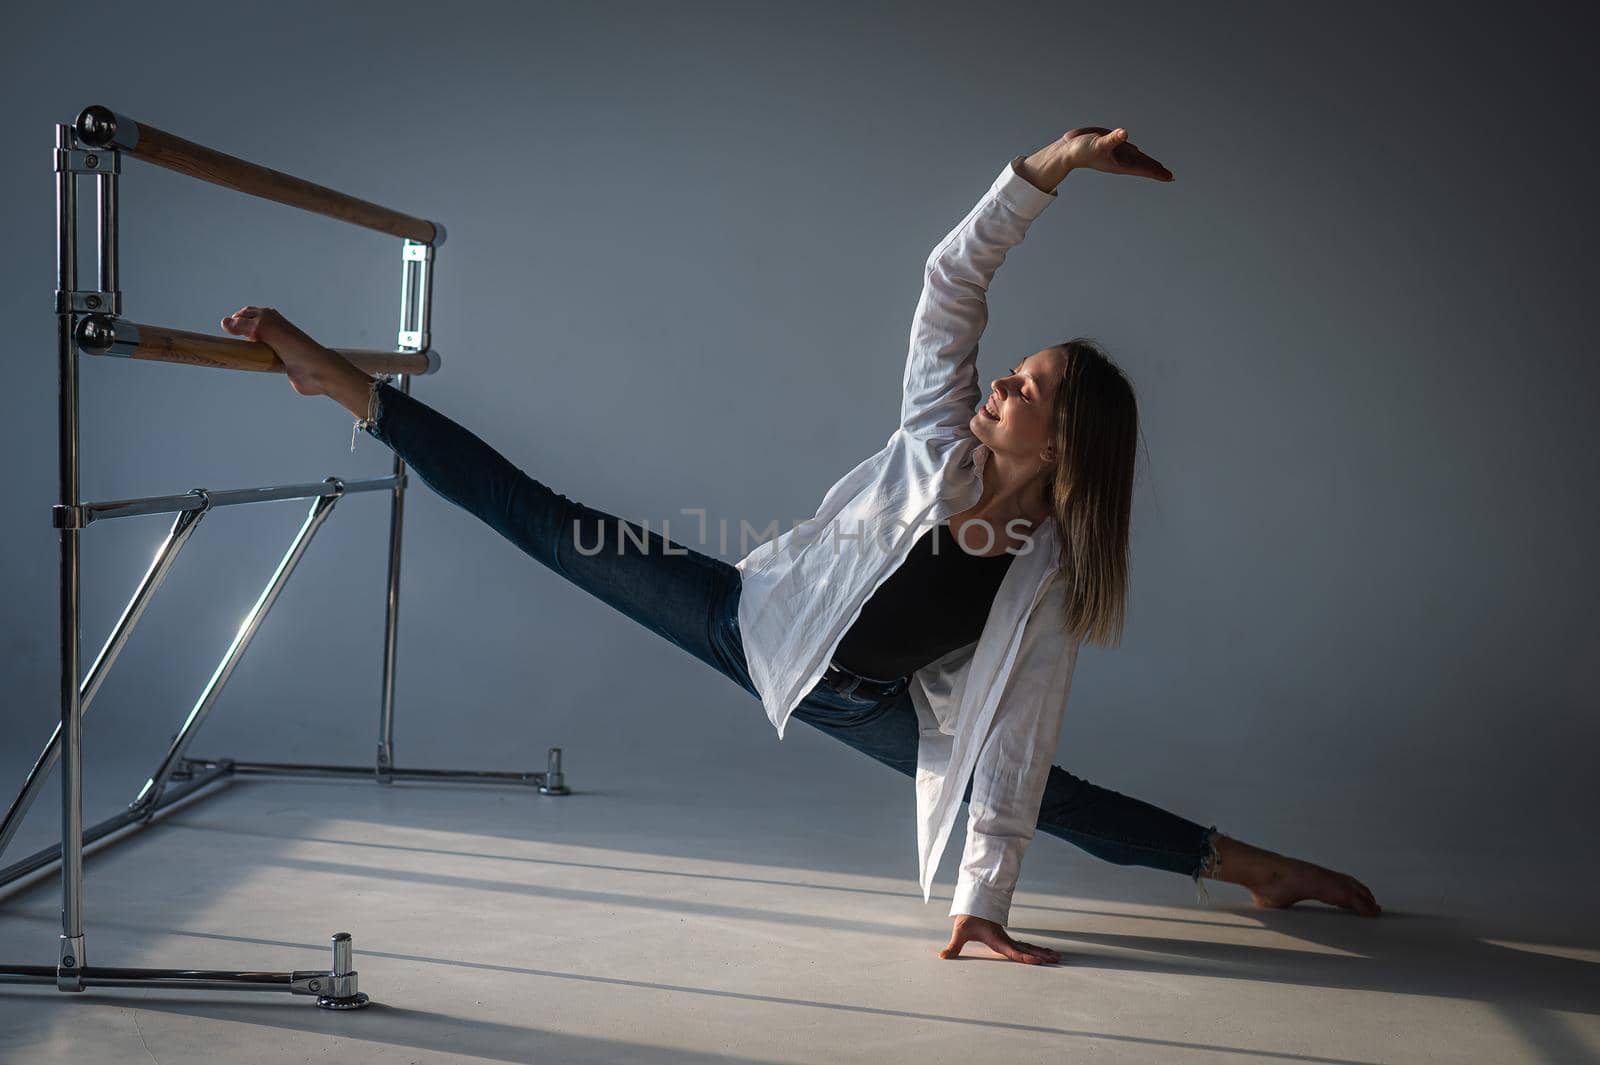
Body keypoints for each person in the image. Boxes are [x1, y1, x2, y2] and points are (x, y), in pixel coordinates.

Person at [221, 125, 1380, 967]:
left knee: (1042, 792)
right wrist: (1049, 171)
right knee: (541, 518)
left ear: (1063, 443)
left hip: (872, 706)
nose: (1006, 377)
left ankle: (1253, 869)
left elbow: (1019, 740)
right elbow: (950, 286)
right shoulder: (942, 447)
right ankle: (340, 383)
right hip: (753, 623)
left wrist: (984, 905)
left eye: (1031, 385)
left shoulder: (1048, 573)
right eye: (1018, 367)